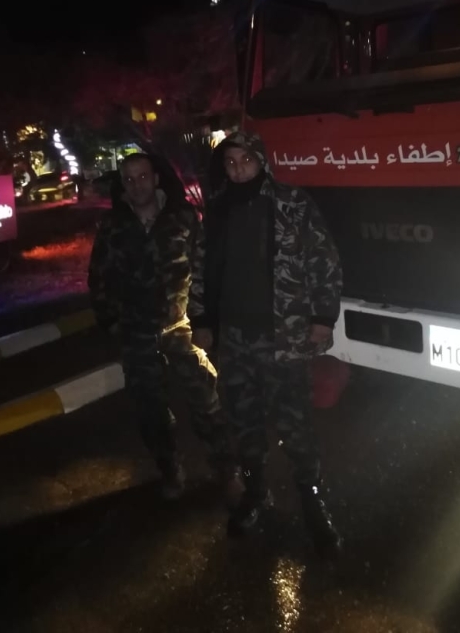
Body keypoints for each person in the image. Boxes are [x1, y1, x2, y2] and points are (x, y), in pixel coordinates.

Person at [190, 131, 343, 557]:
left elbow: (323, 259)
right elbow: (201, 268)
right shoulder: (217, 210)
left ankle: (312, 501)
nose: (238, 169)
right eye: (230, 162)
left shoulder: (292, 203)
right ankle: (256, 493)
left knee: (295, 424)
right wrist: (201, 320)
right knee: (244, 421)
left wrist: (322, 317)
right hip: (234, 338)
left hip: (284, 336)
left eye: (246, 160)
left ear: (261, 161)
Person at [88, 152, 238, 501]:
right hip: (135, 331)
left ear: (155, 179)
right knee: (149, 408)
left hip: (182, 327)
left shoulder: (183, 218)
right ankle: (170, 469)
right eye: (129, 179)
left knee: (206, 399)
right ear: (122, 185)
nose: (136, 185)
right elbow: (98, 276)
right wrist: (110, 321)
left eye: (142, 176)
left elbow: (203, 271)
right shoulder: (113, 225)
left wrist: (205, 320)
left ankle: (228, 469)